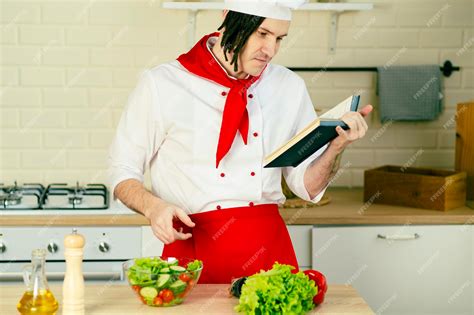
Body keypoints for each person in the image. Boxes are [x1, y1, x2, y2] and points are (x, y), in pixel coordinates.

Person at [108, 0, 372, 284]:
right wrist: (153, 207)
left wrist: (336, 146)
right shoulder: (162, 84)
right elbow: (122, 172)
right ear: (227, 19)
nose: (270, 50)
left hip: (269, 251)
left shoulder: (289, 87)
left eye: (279, 38)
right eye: (262, 34)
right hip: (193, 250)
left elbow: (306, 187)